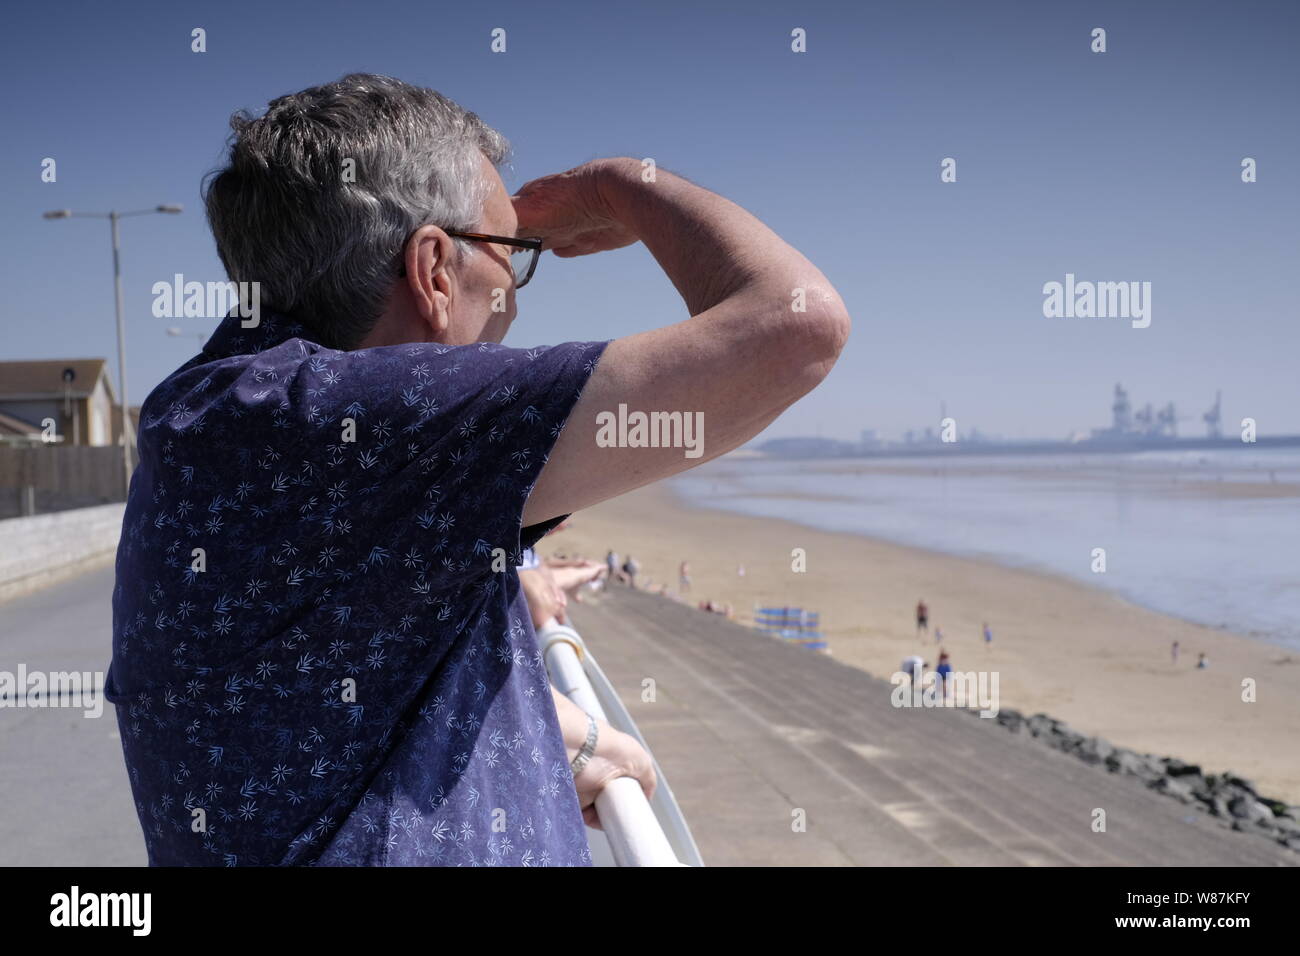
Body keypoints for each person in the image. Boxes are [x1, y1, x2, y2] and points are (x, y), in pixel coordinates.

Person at [103, 73, 848, 867]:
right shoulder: (355, 426)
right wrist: (628, 186)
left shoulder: (223, 416)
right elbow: (797, 327)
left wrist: (568, 737)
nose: (516, 299)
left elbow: (357, 659)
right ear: (432, 268)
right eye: (511, 256)